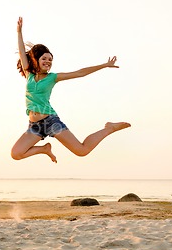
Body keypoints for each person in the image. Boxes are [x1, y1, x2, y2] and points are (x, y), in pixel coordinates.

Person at [11, 17, 130, 163]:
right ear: (36, 59)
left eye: (50, 60)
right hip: (34, 126)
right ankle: (44, 149)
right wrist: (19, 31)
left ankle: (109, 128)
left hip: (50, 121)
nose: (48, 62)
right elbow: (23, 53)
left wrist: (104, 65)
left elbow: (80, 73)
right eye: (45, 59)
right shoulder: (29, 75)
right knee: (16, 154)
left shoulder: (53, 77)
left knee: (81, 150)